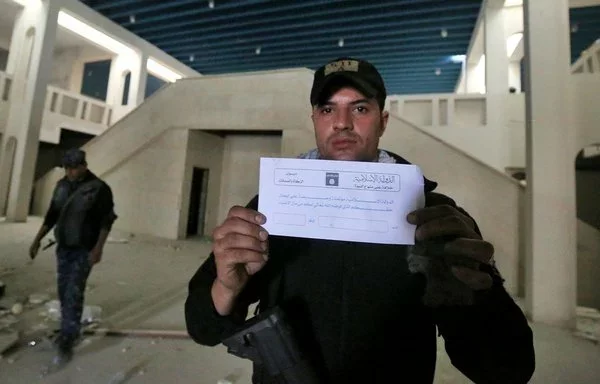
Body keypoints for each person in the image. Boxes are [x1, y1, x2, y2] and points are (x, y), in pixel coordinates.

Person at [184, 57, 535, 383]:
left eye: (360, 108)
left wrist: (478, 297)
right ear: (314, 120)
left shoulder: (434, 216)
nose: (342, 123)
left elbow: (508, 369)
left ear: (383, 122)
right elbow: (203, 328)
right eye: (327, 109)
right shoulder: (269, 208)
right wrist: (227, 288)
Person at [29, 148, 117, 365]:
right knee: (62, 288)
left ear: (84, 166)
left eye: (73, 168)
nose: (69, 172)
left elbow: (107, 220)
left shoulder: (99, 189)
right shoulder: (62, 186)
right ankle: (68, 326)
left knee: (73, 292)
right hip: (64, 247)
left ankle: (68, 337)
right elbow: (52, 214)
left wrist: (98, 249)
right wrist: (37, 239)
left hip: (84, 249)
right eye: (67, 168)